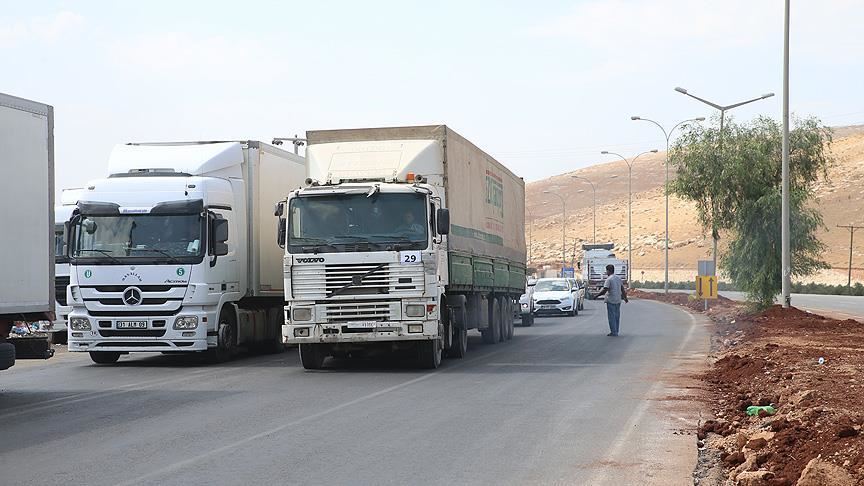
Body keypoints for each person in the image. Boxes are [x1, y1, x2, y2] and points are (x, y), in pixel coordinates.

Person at [595, 264, 628, 336]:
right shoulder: (618, 278)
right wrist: (625, 298)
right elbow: (622, 289)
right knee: (617, 316)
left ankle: (613, 332)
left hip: (611, 300)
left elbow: (605, 290)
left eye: (606, 271)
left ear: (608, 271)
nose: (606, 272)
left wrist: (596, 296)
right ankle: (616, 331)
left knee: (611, 317)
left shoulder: (609, 279)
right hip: (618, 300)